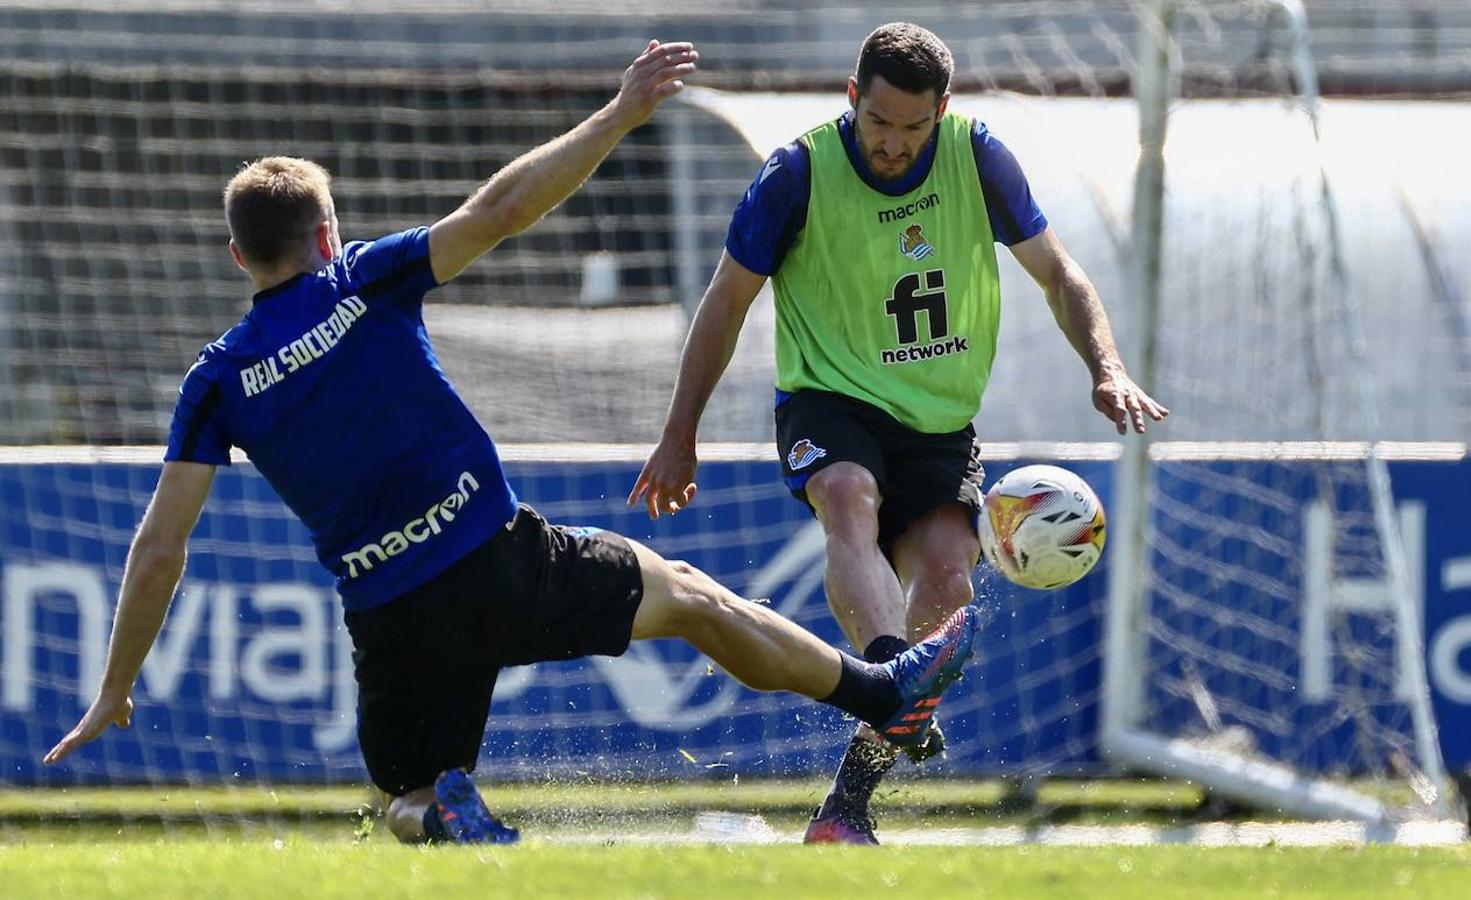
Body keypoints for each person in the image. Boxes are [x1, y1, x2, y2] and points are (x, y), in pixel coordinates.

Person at [40, 40, 980, 845]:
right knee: (694, 599)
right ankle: (877, 689)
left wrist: (115, 688)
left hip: (391, 615)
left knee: (402, 796)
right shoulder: (363, 279)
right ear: (328, 233)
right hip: (499, 559)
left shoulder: (216, 380)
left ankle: (441, 811)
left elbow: (162, 544)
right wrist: (617, 114)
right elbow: (501, 210)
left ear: (241, 257)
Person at [630, 23, 1167, 845]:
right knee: (848, 496)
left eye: (913, 128)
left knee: (949, 584)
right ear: (853, 98)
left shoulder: (978, 158)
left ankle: (846, 806)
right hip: (830, 397)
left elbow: (1060, 273)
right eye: (879, 123)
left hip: (938, 420)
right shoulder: (797, 172)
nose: (893, 143)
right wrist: (679, 434)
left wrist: (1107, 366)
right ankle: (893, 680)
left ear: (941, 112)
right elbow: (725, 302)